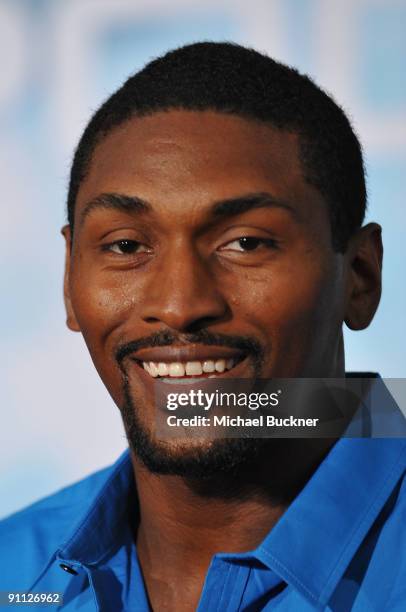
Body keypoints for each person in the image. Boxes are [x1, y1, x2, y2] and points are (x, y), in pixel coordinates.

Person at [1, 42, 405, 612]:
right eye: (126, 245)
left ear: (359, 276)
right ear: (70, 280)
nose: (180, 304)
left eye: (246, 243)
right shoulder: (13, 574)